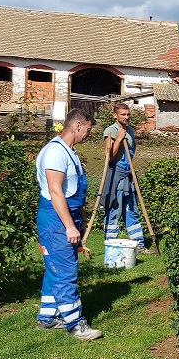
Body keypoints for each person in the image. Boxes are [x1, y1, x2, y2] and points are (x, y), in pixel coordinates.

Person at [36, 108, 102, 340]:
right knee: (65, 271)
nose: (89, 134)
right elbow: (55, 192)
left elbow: (71, 190)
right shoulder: (55, 153)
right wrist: (69, 226)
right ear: (77, 126)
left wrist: (81, 216)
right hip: (54, 220)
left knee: (55, 268)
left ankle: (47, 318)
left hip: (68, 216)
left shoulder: (69, 152)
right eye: (88, 129)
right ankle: (76, 324)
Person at [102, 103, 147, 252]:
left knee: (131, 209)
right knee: (115, 209)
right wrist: (119, 139)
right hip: (116, 174)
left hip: (129, 174)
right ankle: (110, 244)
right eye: (123, 114)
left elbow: (133, 149)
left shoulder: (130, 130)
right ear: (115, 115)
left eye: (128, 114)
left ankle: (139, 244)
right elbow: (109, 157)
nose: (126, 117)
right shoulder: (110, 131)